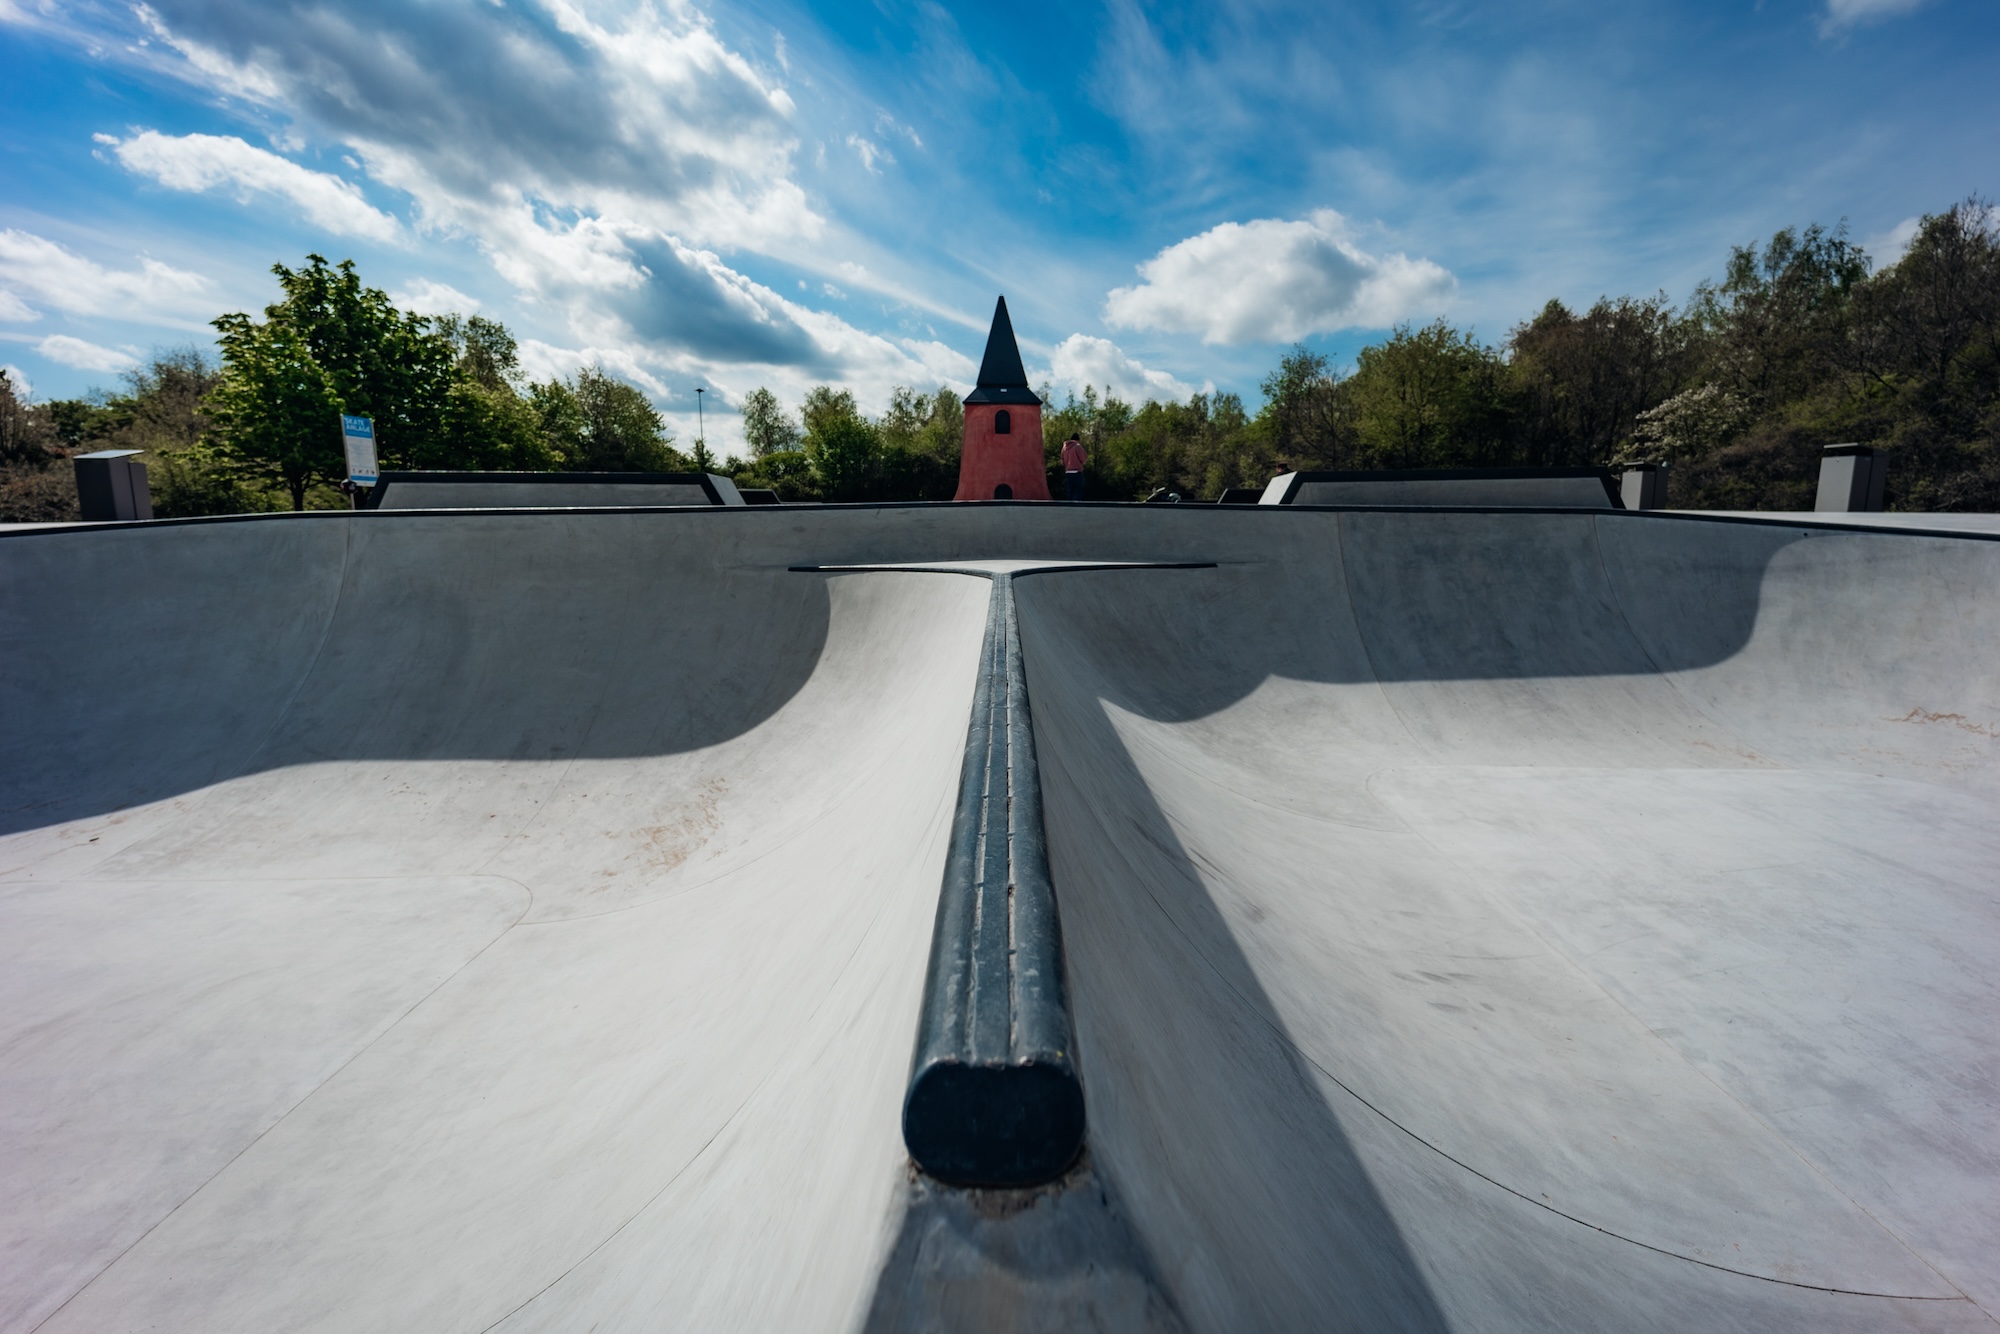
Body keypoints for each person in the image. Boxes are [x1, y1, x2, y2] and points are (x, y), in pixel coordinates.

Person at [1060, 434, 1087, 502]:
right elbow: (1083, 459)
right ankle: (1076, 507)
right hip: (1077, 471)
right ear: (1078, 440)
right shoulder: (1077, 446)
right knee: (1078, 490)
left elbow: (1062, 460)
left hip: (1068, 471)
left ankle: (1070, 507)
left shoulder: (1064, 448)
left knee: (1070, 490)